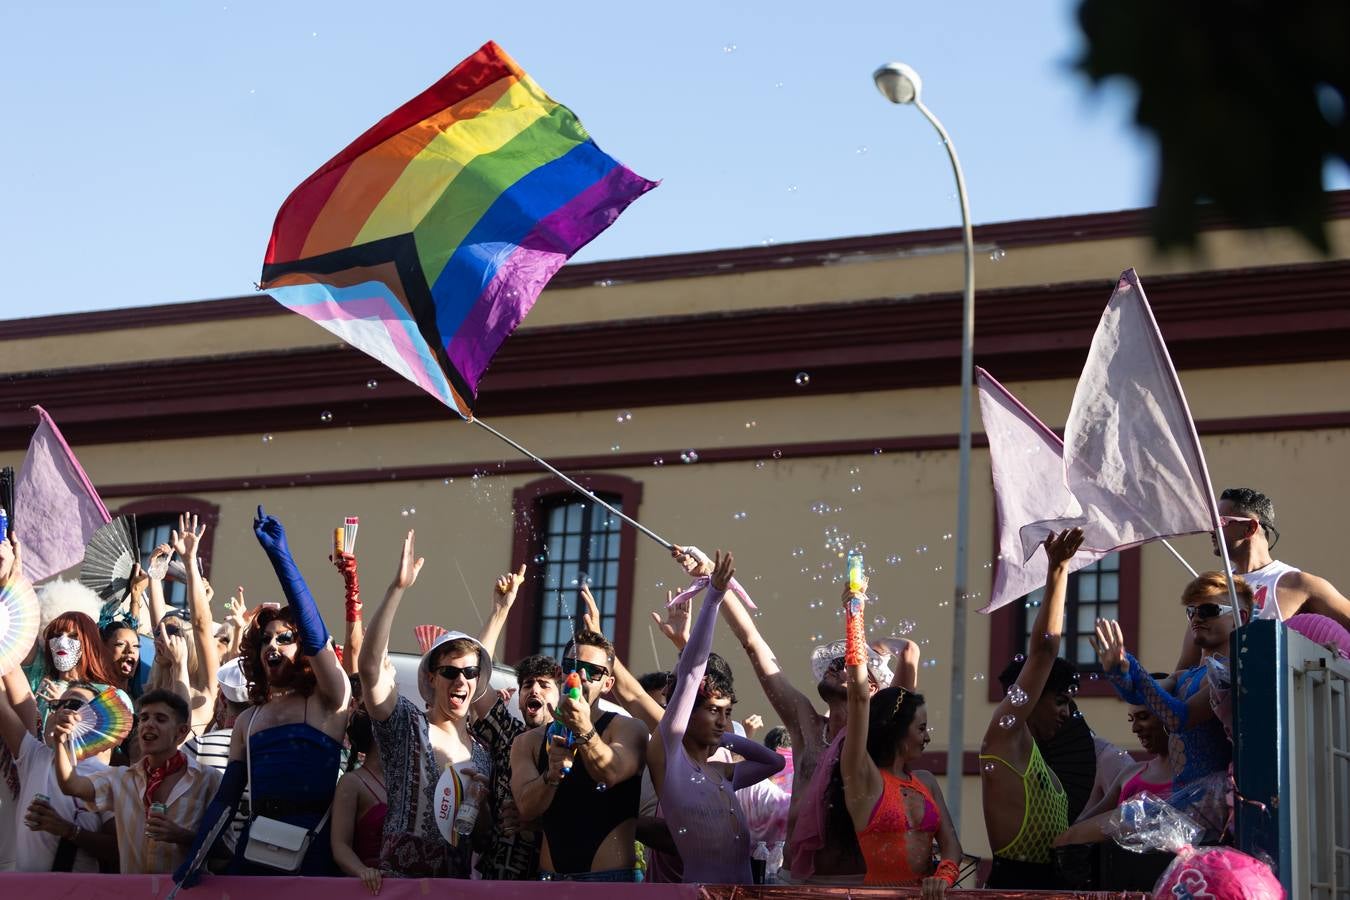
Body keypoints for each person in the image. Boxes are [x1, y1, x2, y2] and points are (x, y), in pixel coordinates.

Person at [705, 543, 913, 884]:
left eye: (844, 662)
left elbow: (910, 653)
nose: (835, 665)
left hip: (853, 884)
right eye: (833, 661)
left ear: (872, 689)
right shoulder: (807, 725)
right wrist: (717, 585)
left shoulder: (882, 738)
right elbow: (754, 644)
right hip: (792, 879)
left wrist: (869, 630)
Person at [179, 507, 352, 880]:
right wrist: (197, 856)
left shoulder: (330, 700)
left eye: (286, 638)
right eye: (266, 640)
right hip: (255, 858)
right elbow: (226, 799)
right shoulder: (247, 720)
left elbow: (316, 633)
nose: (273, 645)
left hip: (313, 858)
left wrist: (280, 557)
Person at [358, 530, 490, 878]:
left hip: (454, 889)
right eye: (450, 671)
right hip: (399, 886)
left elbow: (480, 838)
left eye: (470, 672)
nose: (461, 680)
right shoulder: (407, 726)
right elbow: (369, 670)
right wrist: (397, 589)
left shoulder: (482, 755)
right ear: (432, 678)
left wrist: (482, 804)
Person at [650, 550, 786, 884]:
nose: (722, 720)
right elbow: (692, 674)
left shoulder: (722, 773)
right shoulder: (670, 759)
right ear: (685, 713)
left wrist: (725, 735)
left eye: (727, 713)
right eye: (713, 711)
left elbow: (774, 763)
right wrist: (712, 598)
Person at [1097, 571, 1248, 837]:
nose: (1197, 618)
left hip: (1211, 806)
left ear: (1240, 618)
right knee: (1079, 835)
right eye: (1192, 612)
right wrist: (1118, 670)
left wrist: (1131, 664)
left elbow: (1179, 717)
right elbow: (1138, 696)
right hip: (1184, 800)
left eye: (1209, 610)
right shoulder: (1186, 676)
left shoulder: (1228, 675)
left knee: (1091, 836)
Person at [839, 580, 961, 892]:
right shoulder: (862, 776)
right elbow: (857, 697)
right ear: (895, 729)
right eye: (921, 728)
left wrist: (943, 877)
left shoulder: (927, 781)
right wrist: (855, 615)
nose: (927, 738)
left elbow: (952, 847)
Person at [978, 528, 1084, 889]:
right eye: (1060, 701)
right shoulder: (1004, 736)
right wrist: (1058, 570)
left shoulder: (1041, 756)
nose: (1066, 713)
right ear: (1032, 694)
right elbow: (1043, 652)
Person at [510, 626, 648, 881]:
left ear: (608, 684)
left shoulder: (628, 728)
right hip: (551, 880)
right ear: (561, 673)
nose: (582, 676)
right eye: (573, 665)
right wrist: (551, 775)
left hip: (611, 880)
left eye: (593, 671)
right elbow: (526, 809)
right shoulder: (527, 742)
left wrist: (583, 727)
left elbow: (609, 772)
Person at [1174, 487, 1350, 673]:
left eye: (1220, 522)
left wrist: (1332, 656)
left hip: (1270, 698)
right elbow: (1185, 666)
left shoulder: (1299, 584)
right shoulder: (1212, 588)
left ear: (1250, 528)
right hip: (1212, 699)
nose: (1212, 530)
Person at [53, 689, 221, 874]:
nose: (148, 724)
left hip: (185, 893)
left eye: (160, 719)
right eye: (144, 718)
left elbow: (225, 851)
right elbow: (71, 785)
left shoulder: (208, 779)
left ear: (181, 732)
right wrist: (61, 741)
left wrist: (182, 836)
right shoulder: (121, 778)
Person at [0, 665, 118, 872]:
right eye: (56, 705)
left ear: (96, 721)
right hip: (25, 891)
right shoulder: (34, 755)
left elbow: (117, 850)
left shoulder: (105, 775)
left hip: (77, 891)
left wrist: (67, 830)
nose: (63, 711)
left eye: (73, 704)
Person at [1054, 702, 1173, 847]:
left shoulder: (1194, 775)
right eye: (1131, 720)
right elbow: (1084, 824)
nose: (1135, 728)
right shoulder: (1130, 773)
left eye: (1143, 717)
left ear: (1170, 716)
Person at [332, 674, 387, 895]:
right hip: (367, 890)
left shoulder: (406, 779)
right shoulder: (352, 783)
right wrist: (362, 870)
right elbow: (340, 846)